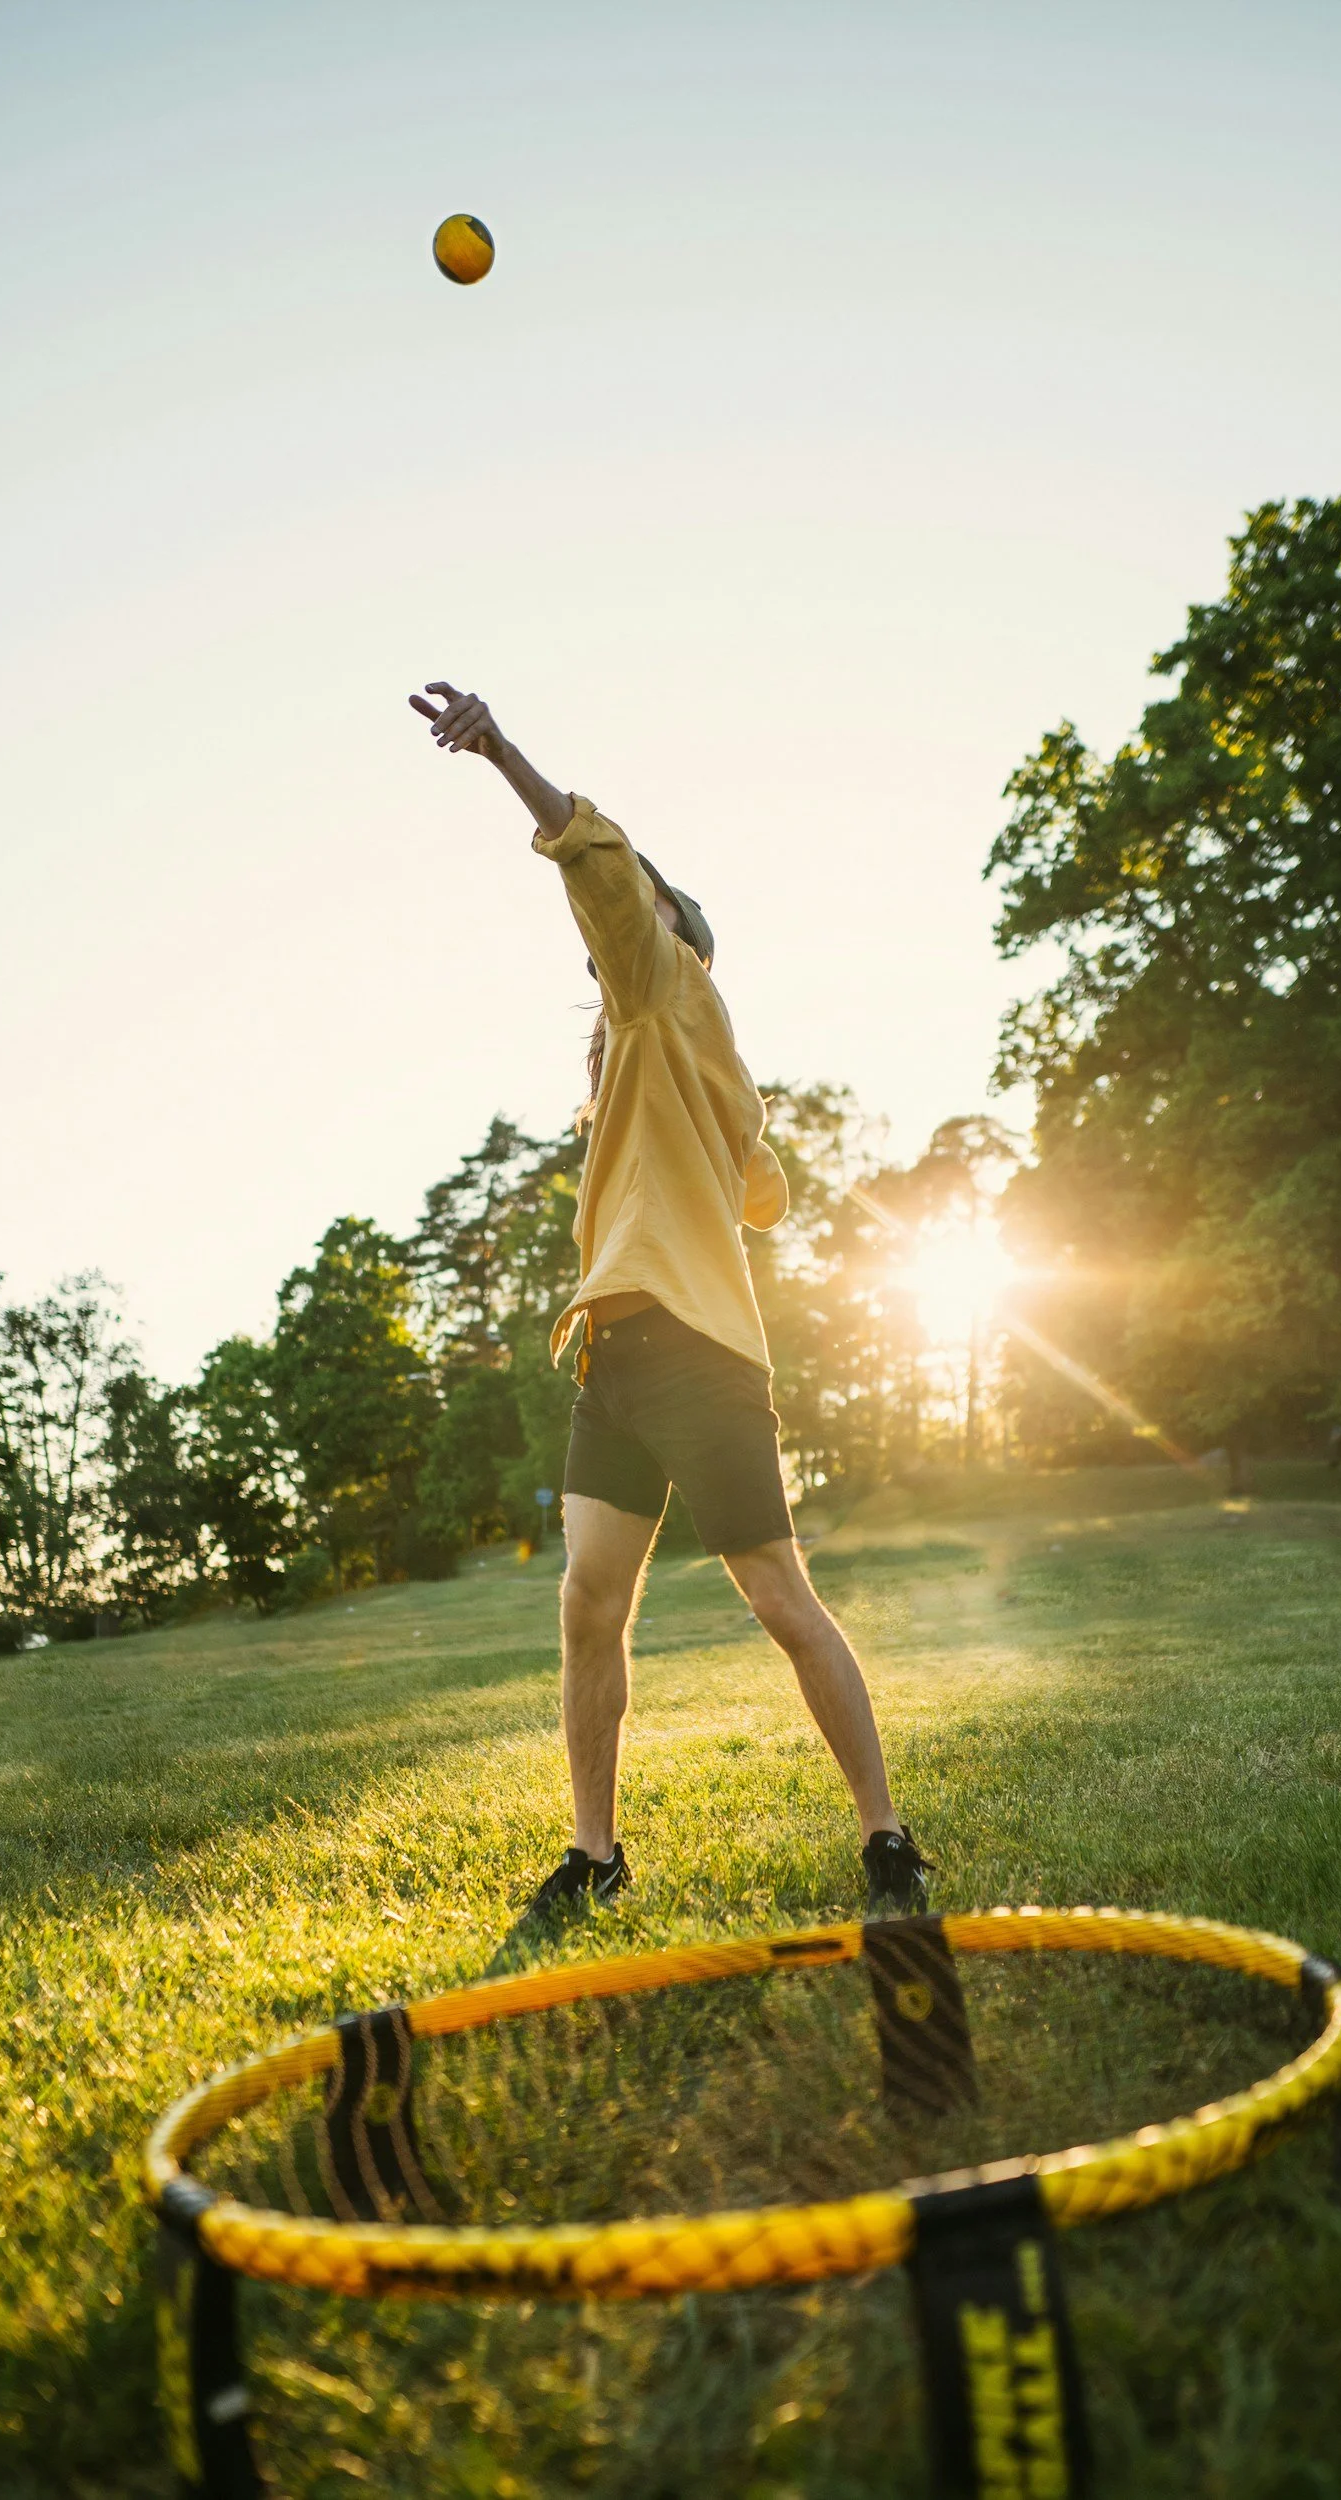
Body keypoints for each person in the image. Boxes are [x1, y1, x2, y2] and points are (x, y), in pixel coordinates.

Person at [410, 681, 933, 1921]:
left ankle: (887, 1839)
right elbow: (763, 1192)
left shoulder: (662, 983)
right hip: (619, 1353)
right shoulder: (674, 1043)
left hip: (697, 1352)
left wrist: (501, 755)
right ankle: (595, 1854)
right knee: (589, 1597)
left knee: (776, 1596)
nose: (602, 956)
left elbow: (595, 860)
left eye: (626, 926)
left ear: (662, 929)